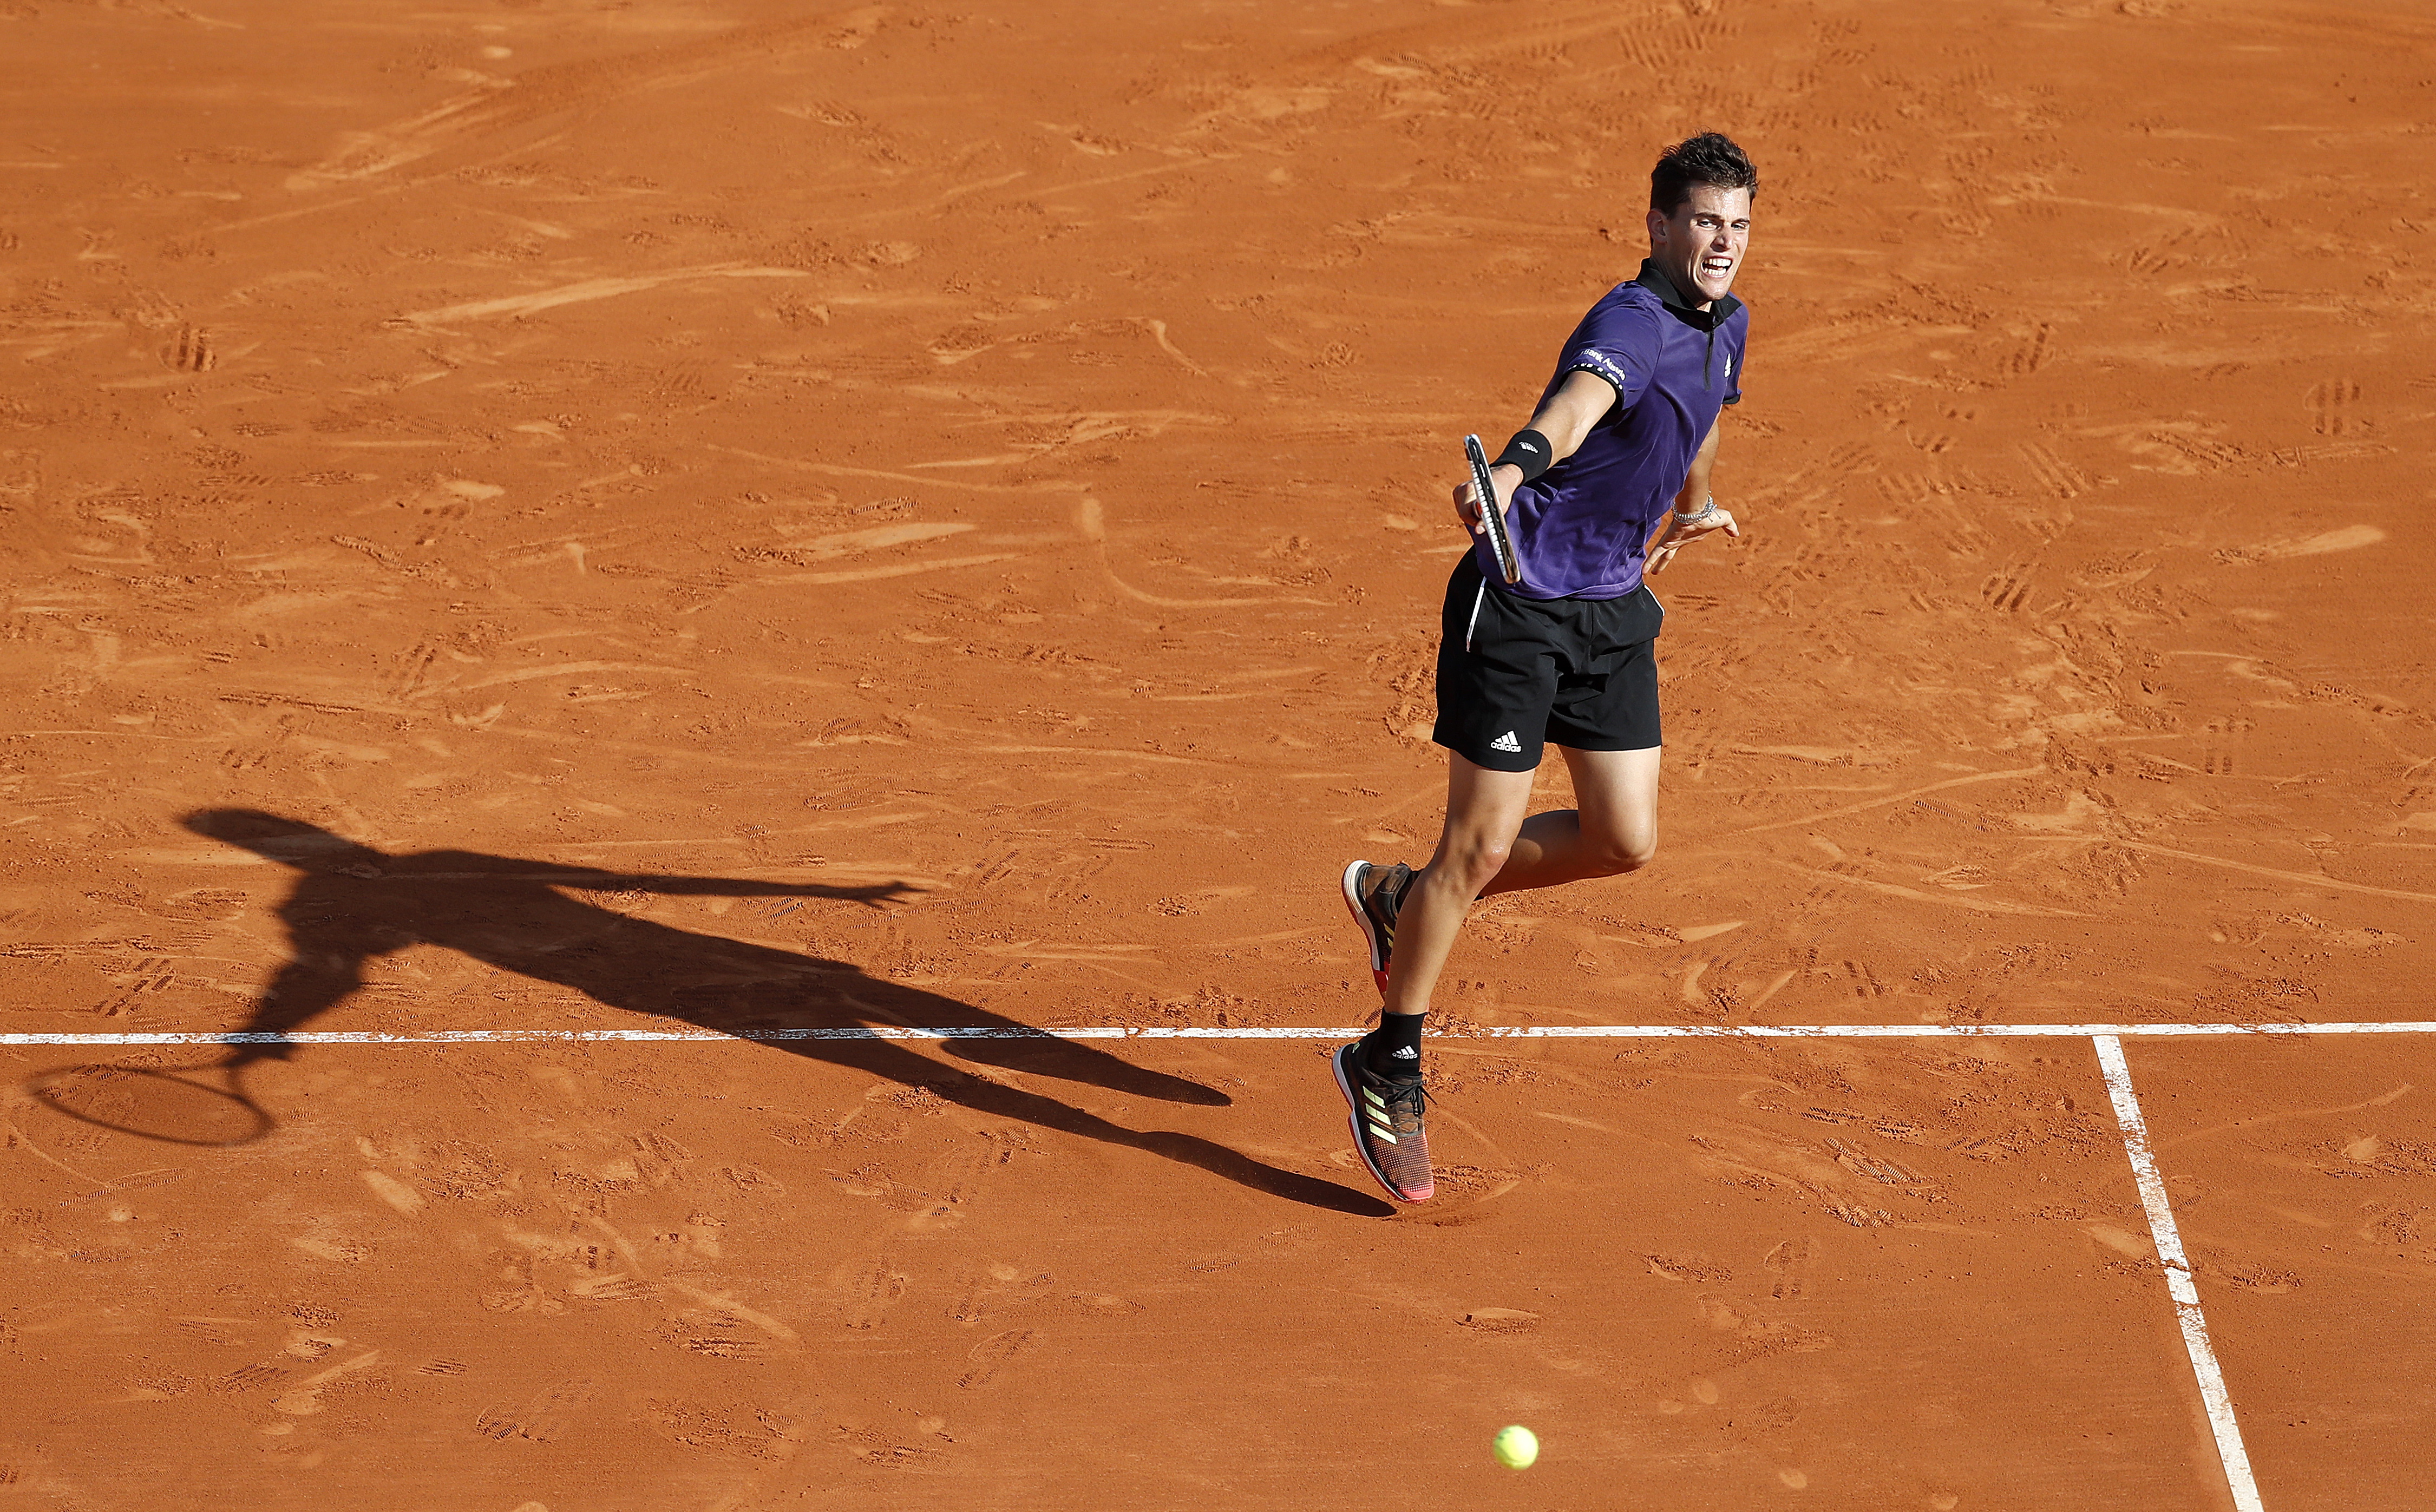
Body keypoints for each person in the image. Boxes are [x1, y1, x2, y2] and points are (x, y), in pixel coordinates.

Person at [1332, 133, 1759, 1203]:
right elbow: (1571, 411)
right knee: (1474, 846)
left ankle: (1408, 900)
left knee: (1624, 838)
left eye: (1739, 224)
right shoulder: (1627, 319)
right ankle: (1388, 1055)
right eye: (1705, 221)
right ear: (1658, 226)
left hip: (1612, 609)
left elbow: (1702, 413)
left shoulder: (1728, 325)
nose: (1723, 242)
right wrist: (1515, 467)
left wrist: (1693, 502)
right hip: (1518, 604)